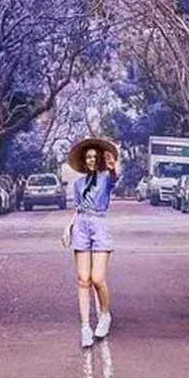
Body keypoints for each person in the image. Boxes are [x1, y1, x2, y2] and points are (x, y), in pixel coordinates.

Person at [61, 137, 118, 348]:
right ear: (84, 162)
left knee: (97, 278)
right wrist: (68, 227)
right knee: (82, 279)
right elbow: (78, 209)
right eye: (88, 157)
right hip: (82, 226)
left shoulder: (105, 180)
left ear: (100, 160)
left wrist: (112, 169)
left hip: (99, 224)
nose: (92, 160)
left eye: (95, 157)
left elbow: (114, 179)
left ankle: (105, 314)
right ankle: (85, 327)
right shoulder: (78, 184)